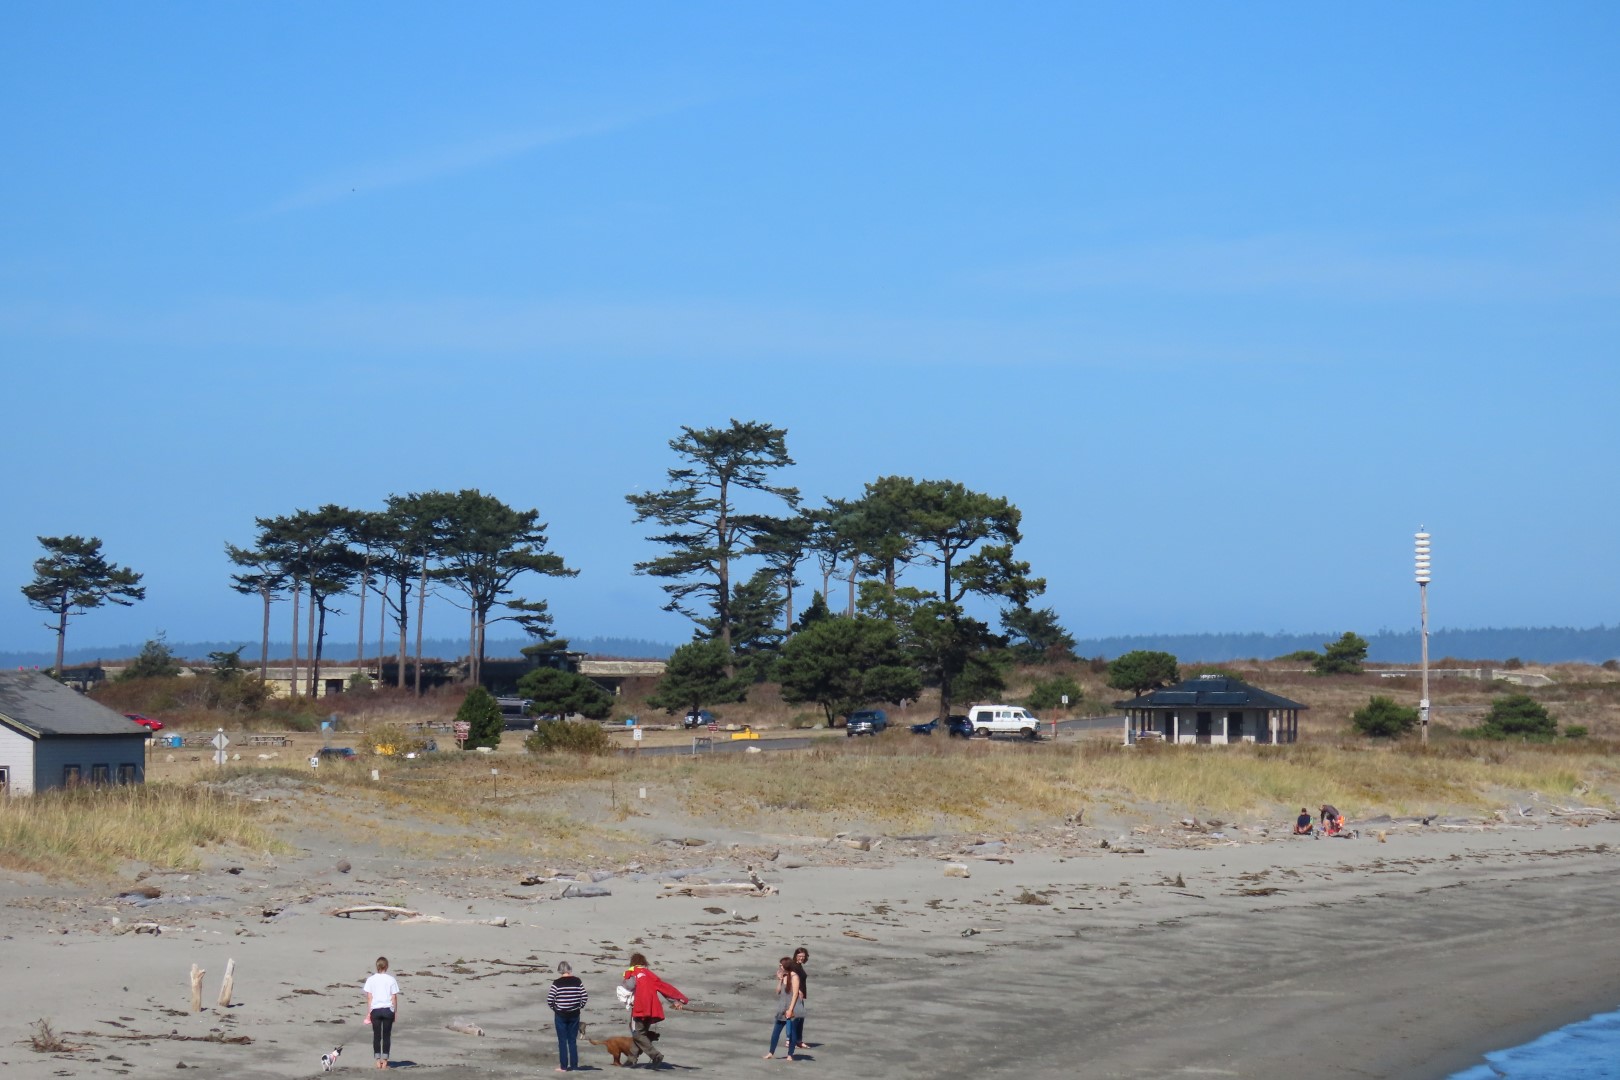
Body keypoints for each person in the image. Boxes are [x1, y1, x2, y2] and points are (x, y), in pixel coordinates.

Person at [622, 952, 688, 1067]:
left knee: (637, 1034)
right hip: (652, 1009)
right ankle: (631, 1059)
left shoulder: (634, 973)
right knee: (641, 1033)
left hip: (640, 1008)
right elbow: (664, 987)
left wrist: (627, 975)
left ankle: (655, 1055)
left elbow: (630, 986)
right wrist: (676, 1000)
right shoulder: (650, 974)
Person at [547, 959, 588, 1072]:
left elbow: (550, 999)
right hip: (574, 1014)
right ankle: (574, 1066)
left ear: (560, 970)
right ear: (569, 969)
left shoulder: (556, 983)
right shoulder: (577, 981)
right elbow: (584, 996)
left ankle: (564, 1066)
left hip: (560, 1015)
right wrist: (579, 1006)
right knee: (572, 1041)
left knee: (562, 1041)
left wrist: (556, 1008)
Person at [363, 955, 401, 1070]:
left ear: (377, 966)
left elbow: (369, 997)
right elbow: (394, 997)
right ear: (387, 966)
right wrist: (395, 1012)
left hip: (375, 1010)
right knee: (386, 1036)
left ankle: (377, 1060)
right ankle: (384, 1061)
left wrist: (369, 1012)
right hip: (388, 1009)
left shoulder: (371, 979)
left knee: (377, 1036)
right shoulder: (391, 979)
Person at [765, 957, 802, 1060]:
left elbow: (795, 995)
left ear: (786, 965)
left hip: (792, 1008)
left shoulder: (795, 977)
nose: (779, 967)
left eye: (781, 965)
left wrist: (790, 1010)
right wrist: (780, 980)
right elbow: (777, 991)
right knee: (776, 1031)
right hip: (782, 1007)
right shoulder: (784, 976)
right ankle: (771, 1052)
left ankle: (790, 1054)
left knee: (792, 1032)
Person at [790, 947, 810, 1050]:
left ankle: (798, 1041)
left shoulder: (799, 966)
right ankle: (791, 1040)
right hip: (796, 995)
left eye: (803, 956)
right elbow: (791, 979)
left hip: (800, 995)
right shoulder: (794, 966)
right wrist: (798, 991)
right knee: (795, 1018)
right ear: (796, 956)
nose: (801, 958)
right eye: (799, 956)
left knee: (800, 1018)